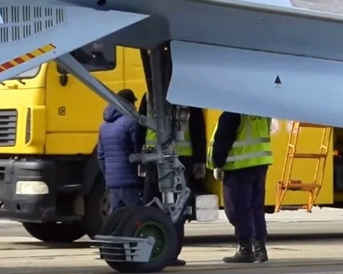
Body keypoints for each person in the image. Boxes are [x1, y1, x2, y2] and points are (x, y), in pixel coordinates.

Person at [137, 95, 207, 268]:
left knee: (152, 205)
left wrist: (140, 156)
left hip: (154, 157)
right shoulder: (187, 94)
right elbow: (198, 128)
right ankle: (171, 253)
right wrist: (200, 161)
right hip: (181, 159)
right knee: (176, 208)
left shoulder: (150, 95)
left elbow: (139, 126)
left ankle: (151, 252)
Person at [208, 112, 273, 264]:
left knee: (238, 210)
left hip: (239, 166)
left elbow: (224, 138)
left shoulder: (232, 112)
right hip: (260, 163)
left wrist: (218, 164)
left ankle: (246, 250)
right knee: (256, 208)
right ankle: (260, 249)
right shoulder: (260, 111)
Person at [97, 89, 142, 213]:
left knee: (116, 217)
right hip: (129, 180)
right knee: (136, 215)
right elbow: (137, 151)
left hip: (113, 182)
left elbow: (100, 156)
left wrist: (108, 176)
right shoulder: (130, 122)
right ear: (129, 103)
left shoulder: (103, 126)